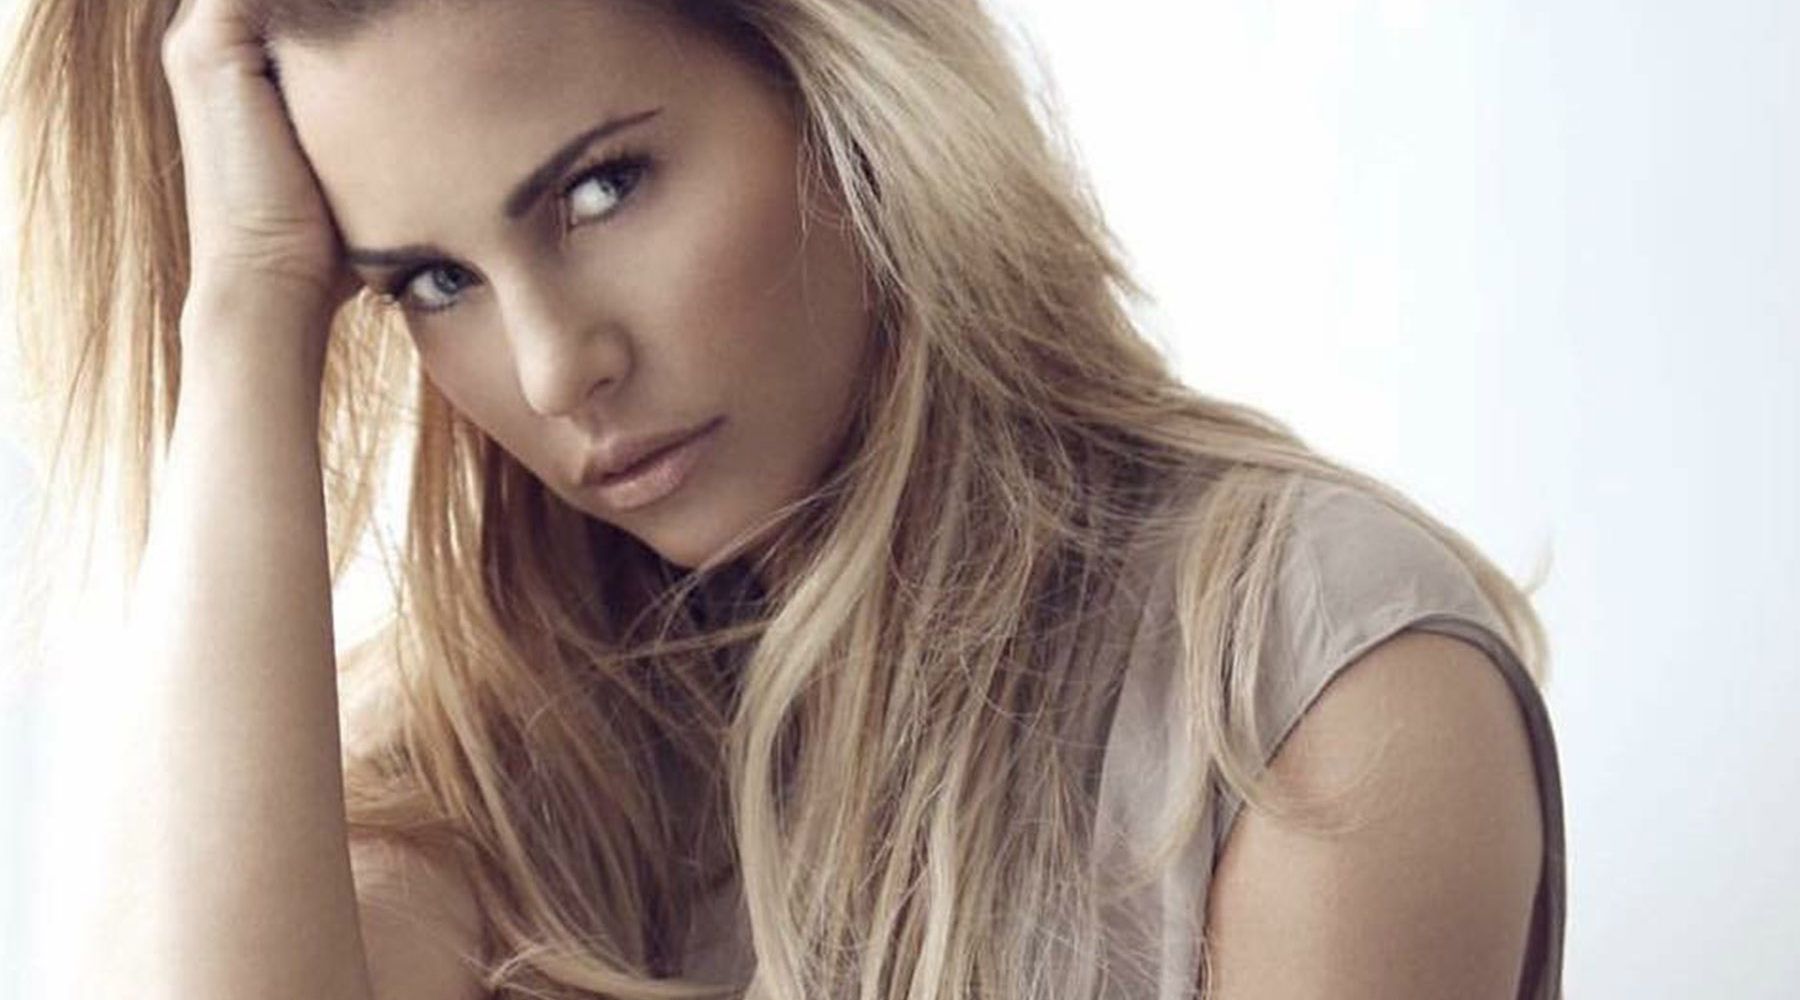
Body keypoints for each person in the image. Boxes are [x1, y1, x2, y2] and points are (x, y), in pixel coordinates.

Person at [0, 0, 1565, 997]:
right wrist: (248, 304)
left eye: (600, 187)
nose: (554, 368)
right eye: (431, 280)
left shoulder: (1308, 687)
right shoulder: (496, 763)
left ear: (838, 83)